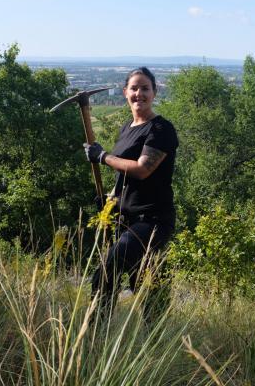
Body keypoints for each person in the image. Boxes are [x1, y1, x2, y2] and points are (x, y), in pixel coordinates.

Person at [84, 66, 178, 321]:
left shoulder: (160, 129)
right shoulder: (128, 127)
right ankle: (106, 338)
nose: (139, 93)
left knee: (109, 267)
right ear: (125, 92)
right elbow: (123, 177)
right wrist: (110, 201)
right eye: (134, 88)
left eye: (145, 88)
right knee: (147, 285)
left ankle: (95, 330)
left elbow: (142, 169)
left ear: (154, 93)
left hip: (153, 220)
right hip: (126, 220)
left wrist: (103, 157)